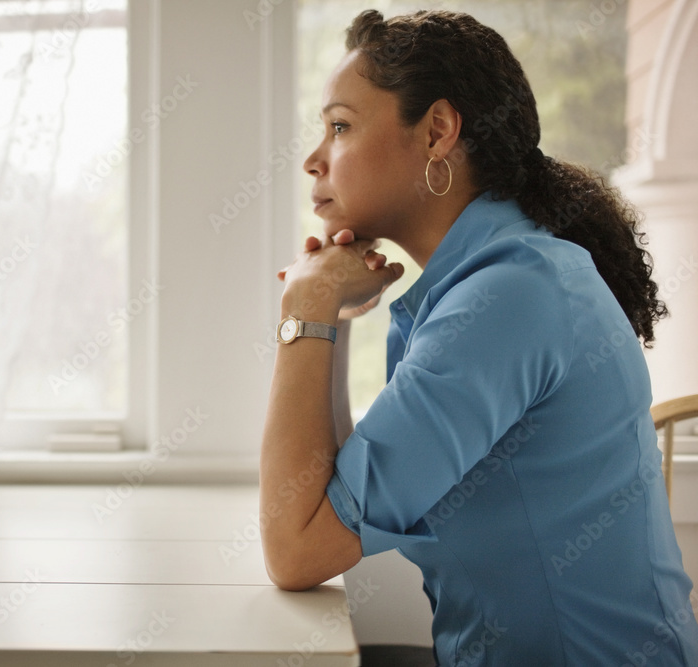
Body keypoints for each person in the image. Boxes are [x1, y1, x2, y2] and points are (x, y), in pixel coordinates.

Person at [259, 9, 698, 666]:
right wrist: (333, 315)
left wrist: (304, 305)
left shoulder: (508, 299)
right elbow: (340, 499)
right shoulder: (493, 282)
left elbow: (296, 548)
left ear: (437, 131)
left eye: (340, 126)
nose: (313, 159)